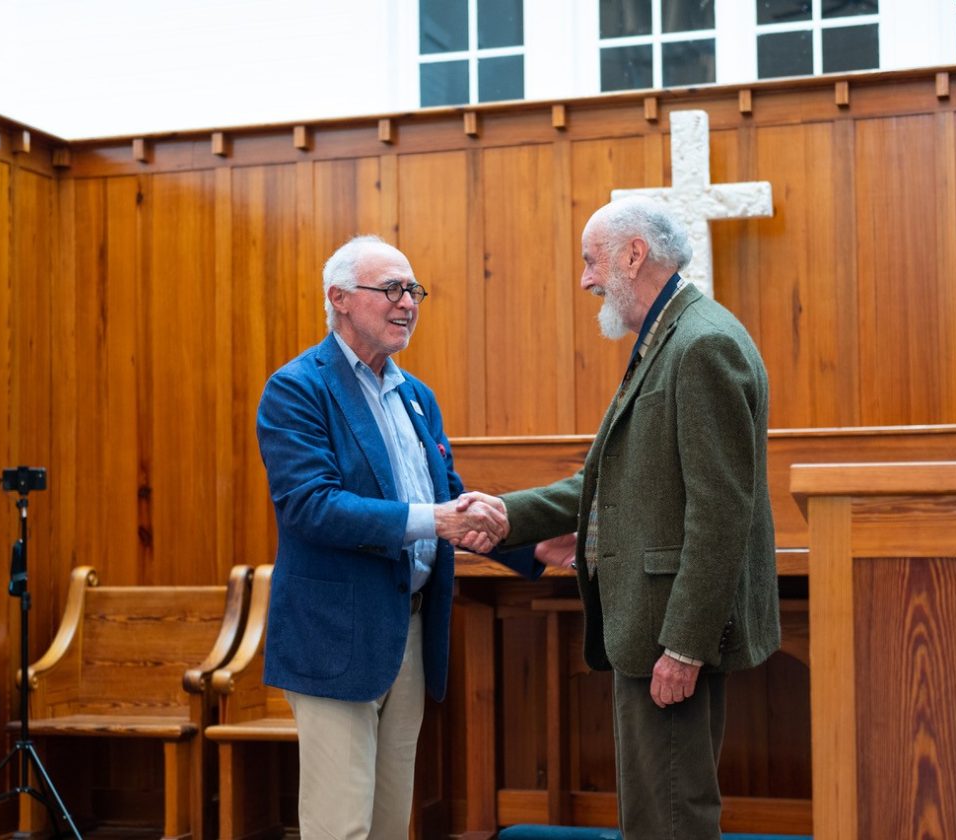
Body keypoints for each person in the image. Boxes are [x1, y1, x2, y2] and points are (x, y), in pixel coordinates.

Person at [477, 196, 780, 839]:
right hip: (650, 623)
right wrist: (507, 515)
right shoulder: (670, 336)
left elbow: (722, 512)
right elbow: (608, 482)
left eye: (591, 262)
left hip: (667, 630)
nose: (585, 279)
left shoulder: (700, 345)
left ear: (633, 255)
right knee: (653, 812)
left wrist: (684, 646)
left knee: (670, 815)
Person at [256, 234, 539, 840]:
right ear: (339, 299)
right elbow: (312, 505)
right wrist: (433, 519)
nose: (407, 302)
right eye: (391, 289)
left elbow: (453, 501)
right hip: (336, 636)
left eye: (413, 290)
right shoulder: (298, 389)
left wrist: (535, 546)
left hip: (409, 631)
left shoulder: (417, 398)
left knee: (389, 826)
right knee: (341, 828)